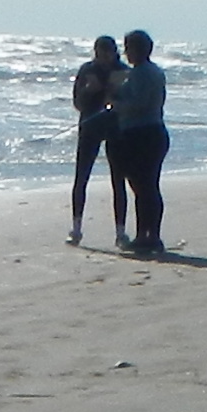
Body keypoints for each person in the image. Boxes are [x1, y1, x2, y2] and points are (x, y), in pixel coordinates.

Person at [108, 27, 171, 255]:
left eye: (128, 48)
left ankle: (148, 236)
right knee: (147, 186)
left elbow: (139, 104)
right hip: (152, 132)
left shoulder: (141, 73)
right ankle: (148, 235)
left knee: (144, 187)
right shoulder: (153, 71)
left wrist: (115, 103)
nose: (126, 53)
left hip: (142, 133)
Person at [66, 34, 126, 246]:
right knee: (81, 177)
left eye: (107, 53)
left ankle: (120, 232)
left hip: (115, 127)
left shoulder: (122, 70)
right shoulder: (87, 69)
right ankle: (76, 228)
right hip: (90, 126)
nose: (104, 58)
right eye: (100, 53)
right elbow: (78, 102)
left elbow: (128, 100)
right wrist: (89, 90)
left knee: (118, 180)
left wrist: (115, 95)